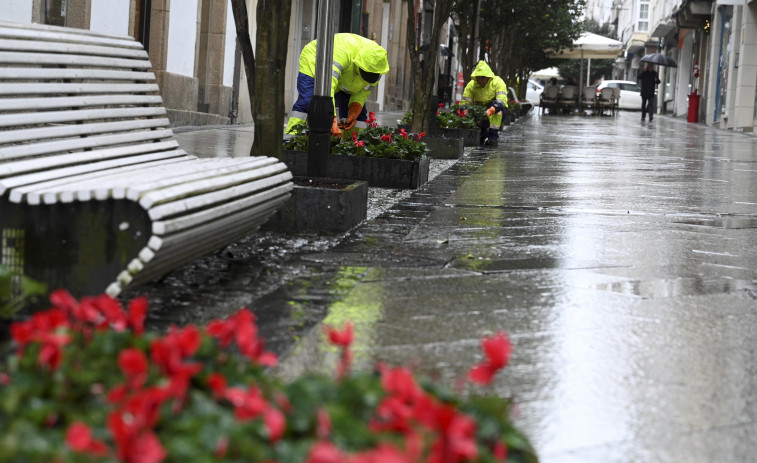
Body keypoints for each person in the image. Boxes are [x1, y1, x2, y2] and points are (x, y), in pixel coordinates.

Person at [285, 33, 390, 139]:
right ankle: (292, 140)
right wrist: (331, 119)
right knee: (308, 102)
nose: (368, 78)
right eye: (367, 73)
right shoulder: (343, 52)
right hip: (314, 60)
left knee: (358, 116)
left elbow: (362, 93)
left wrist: (353, 113)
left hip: (345, 77)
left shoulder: (378, 67)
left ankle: (351, 147)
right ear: (358, 64)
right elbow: (328, 86)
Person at [461, 61, 508, 146]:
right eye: (479, 77)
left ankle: (493, 137)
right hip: (479, 113)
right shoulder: (472, 85)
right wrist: (464, 109)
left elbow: (501, 100)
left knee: (498, 110)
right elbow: (465, 100)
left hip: (493, 112)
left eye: (483, 77)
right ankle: (481, 135)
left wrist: (492, 109)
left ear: (488, 77)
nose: (481, 80)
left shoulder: (497, 82)